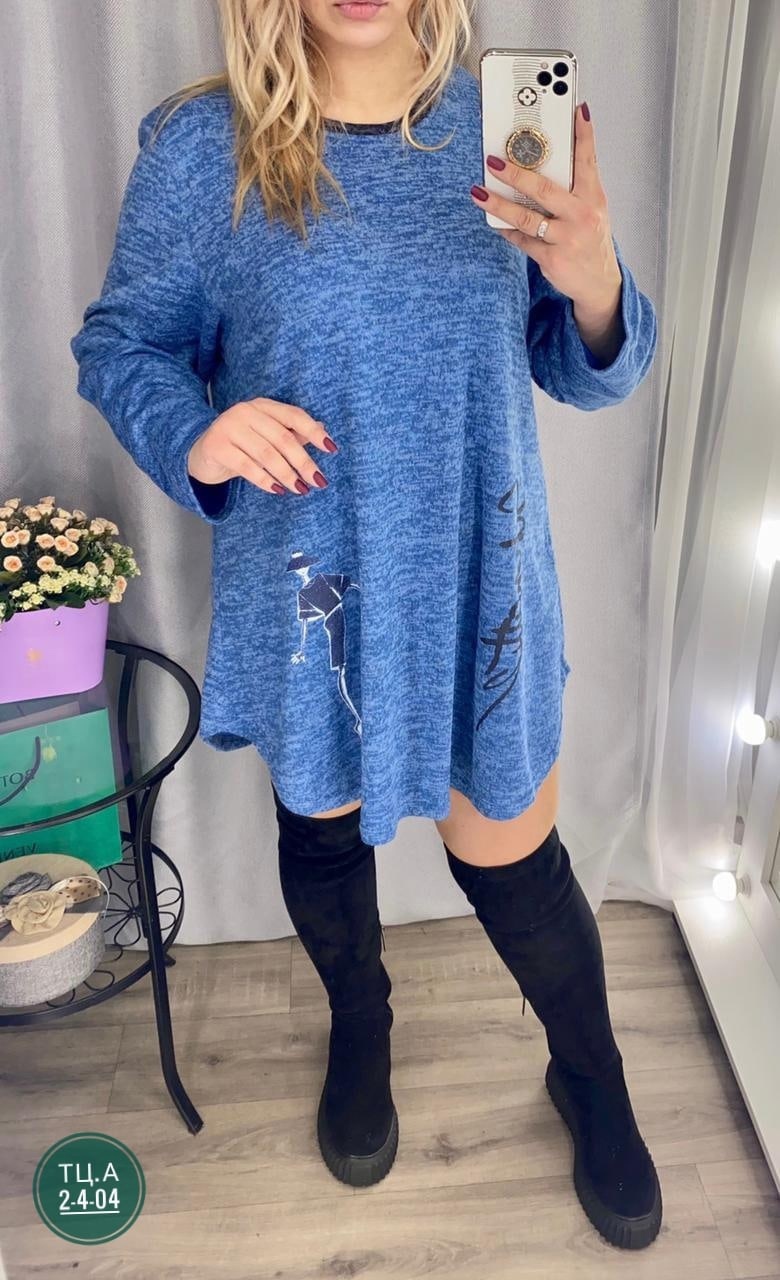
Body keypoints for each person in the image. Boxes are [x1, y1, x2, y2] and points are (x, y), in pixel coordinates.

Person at [69, 0, 661, 1252]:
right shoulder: (204, 148)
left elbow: (584, 368)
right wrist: (197, 432)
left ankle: (592, 1071)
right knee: (323, 833)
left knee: (516, 865)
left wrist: (595, 279)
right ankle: (361, 1019)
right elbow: (123, 345)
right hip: (312, 586)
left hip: (481, 580)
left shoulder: (502, 130)